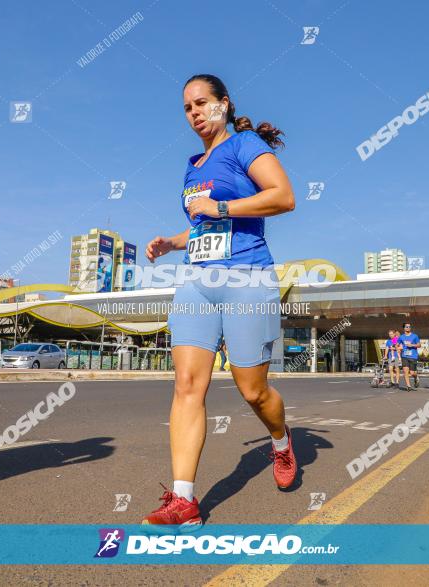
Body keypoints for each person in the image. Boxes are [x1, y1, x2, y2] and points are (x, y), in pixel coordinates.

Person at [143, 74, 296, 530]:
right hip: (197, 281)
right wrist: (172, 242)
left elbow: (283, 197)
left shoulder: (244, 145)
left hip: (247, 277)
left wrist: (224, 208)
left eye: (202, 103)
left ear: (223, 105)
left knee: (253, 391)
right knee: (188, 386)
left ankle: (282, 440)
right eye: (187, 107)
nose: (194, 112)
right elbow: (203, 226)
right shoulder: (192, 166)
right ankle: (184, 500)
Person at [398, 323, 421, 391]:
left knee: (412, 373)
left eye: (409, 327)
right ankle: (408, 386)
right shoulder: (401, 337)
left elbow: (419, 345)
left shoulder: (415, 336)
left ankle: (416, 377)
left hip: (413, 356)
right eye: (407, 327)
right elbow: (396, 344)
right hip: (404, 356)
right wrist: (398, 347)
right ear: (404, 328)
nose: (408, 328)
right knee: (405, 371)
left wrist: (412, 345)